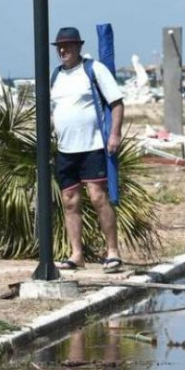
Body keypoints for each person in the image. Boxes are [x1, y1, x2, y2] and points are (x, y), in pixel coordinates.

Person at [50, 27, 125, 273]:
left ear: (79, 46)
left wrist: (114, 134)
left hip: (92, 147)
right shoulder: (56, 76)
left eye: (68, 45)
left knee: (98, 197)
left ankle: (112, 252)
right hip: (65, 149)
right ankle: (77, 254)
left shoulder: (93, 69)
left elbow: (116, 103)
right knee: (69, 201)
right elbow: (55, 110)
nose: (63, 50)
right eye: (60, 46)